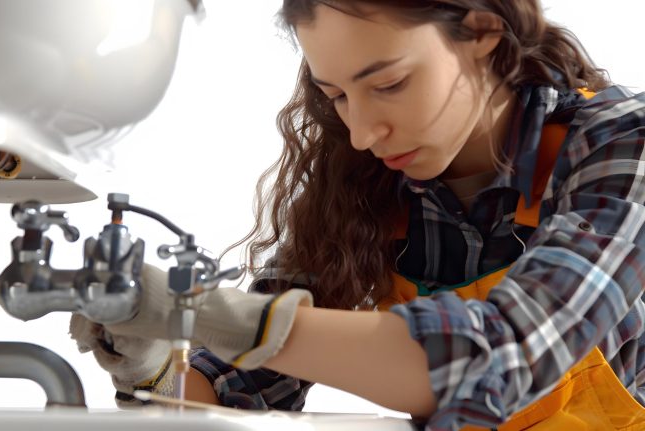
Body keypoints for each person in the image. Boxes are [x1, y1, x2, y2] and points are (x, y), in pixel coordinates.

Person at [70, 1, 645, 429]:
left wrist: (204, 311)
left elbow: (496, 358)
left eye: (389, 84)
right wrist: (149, 366)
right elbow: (240, 387)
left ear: (482, 34)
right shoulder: (363, 185)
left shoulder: (620, 148)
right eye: (338, 96)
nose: (364, 133)